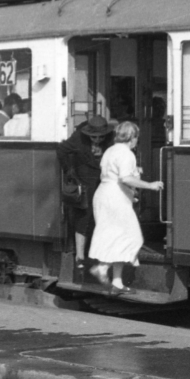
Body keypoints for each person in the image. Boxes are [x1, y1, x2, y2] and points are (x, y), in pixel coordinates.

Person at [88, 120, 164, 294]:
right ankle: (103, 268)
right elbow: (125, 179)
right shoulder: (126, 154)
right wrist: (150, 185)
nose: (137, 140)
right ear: (132, 137)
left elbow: (114, 174)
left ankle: (117, 283)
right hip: (115, 197)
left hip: (104, 194)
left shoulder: (110, 150)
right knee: (133, 238)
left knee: (116, 236)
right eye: (136, 137)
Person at [57, 115, 113, 277]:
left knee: (102, 217)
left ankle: (98, 254)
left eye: (101, 137)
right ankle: (80, 257)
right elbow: (61, 150)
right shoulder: (78, 138)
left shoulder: (110, 138)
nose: (97, 140)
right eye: (94, 137)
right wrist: (69, 170)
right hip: (85, 180)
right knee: (84, 216)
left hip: (103, 180)